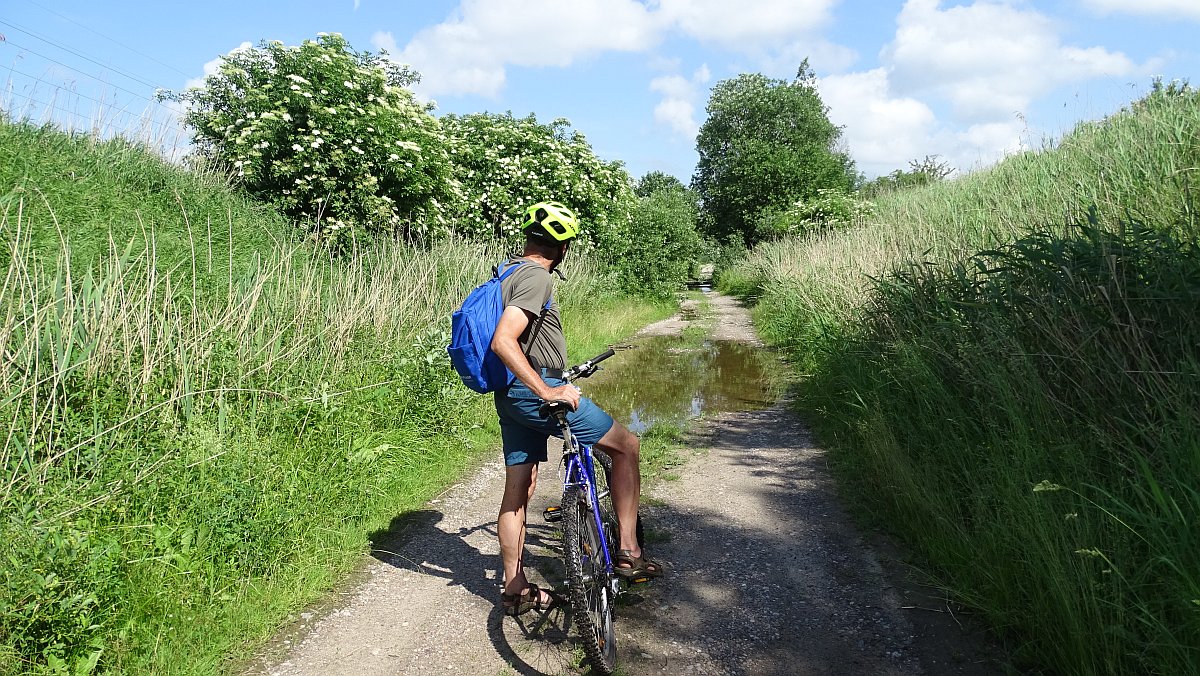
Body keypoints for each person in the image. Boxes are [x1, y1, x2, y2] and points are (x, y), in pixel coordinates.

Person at [491, 201, 664, 617]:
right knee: (626, 446)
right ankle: (629, 550)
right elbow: (503, 340)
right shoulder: (535, 277)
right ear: (561, 247)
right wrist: (548, 391)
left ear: (529, 238)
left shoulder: (505, 273)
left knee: (519, 488)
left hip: (509, 395)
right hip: (537, 389)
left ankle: (514, 589)